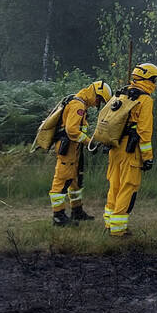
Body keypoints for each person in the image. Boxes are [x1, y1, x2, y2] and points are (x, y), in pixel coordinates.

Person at [102, 63, 157, 238]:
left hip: (115, 146)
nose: (155, 83)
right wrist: (147, 157)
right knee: (128, 187)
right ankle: (118, 230)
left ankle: (109, 224)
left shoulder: (121, 94)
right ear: (148, 79)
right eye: (154, 79)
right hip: (130, 150)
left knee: (115, 185)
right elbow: (144, 132)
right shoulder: (145, 100)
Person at [48, 80, 112, 226]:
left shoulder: (80, 103)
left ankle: (77, 211)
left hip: (73, 149)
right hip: (68, 148)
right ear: (95, 94)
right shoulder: (78, 105)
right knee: (62, 180)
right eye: (99, 100)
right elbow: (72, 130)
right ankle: (58, 216)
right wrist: (89, 142)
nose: (97, 104)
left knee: (75, 181)